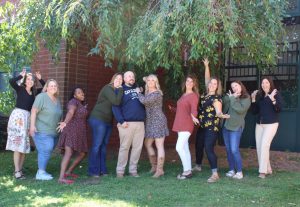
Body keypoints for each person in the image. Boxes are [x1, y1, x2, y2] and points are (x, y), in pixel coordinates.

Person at [194, 58, 229, 183]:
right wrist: (207, 66)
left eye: (215, 84)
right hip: (202, 126)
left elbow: (218, 109)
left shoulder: (216, 98)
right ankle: (198, 166)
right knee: (198, 146)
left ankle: (215, 173)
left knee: (208, 148)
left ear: (217, 86)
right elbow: (207, 79)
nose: (212, 85)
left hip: (211, 128)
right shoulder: (205, 95)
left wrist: (220, 114)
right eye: (211, 83)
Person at [6, 69, 45, 179]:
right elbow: (11, 81)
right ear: (25, 81)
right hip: (18, 118)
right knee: (18, 145)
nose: (30, 81)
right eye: (28, 79)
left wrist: (40, 78)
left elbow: (46, 88)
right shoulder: (20, 89)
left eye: (32, 80)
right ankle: (17, 171)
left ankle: (20, 170)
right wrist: (20, 76)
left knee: (23, 145)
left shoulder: (34, 93)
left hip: (27, 118)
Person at [88, 73, 123, 177]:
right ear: (113, 79)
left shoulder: (117, 91)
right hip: (98, 119)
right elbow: (116, 102)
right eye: (117, 78)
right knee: (97, 145)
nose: (119, 80)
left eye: (121, 79)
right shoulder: (108, 88)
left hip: (107, 121)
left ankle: (102, 170)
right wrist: (120, 89)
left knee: (103, 146)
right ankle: (93, 170)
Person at [112, 71, 146, 178]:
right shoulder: (120, 90)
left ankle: (133, 170)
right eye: (129, 76)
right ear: (124, 79)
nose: (132, 78)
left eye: (133, 76)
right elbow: (115, 106)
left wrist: (140, 89)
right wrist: (121, 121)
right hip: (126, 123)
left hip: (140, 123)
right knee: (124, 148)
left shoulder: (138, 89)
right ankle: (120, 171)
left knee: (137, 148)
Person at [29, 79, 62, 180]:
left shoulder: (57, 100)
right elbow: (34, 111)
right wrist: (32, 126)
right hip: (42, 129)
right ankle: (41, 173)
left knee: (46, 150)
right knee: (46, 149)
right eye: (51, 86)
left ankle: (42, 170)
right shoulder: (42, 97)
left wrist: (62, 122)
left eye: (55, 86)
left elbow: (59, 114)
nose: (53, 87)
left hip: (54, 132)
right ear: (46, 87)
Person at [137, 74, 169, 178]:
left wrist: (138, 93)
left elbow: (144, 101)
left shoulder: (157, 93)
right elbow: (144, 79)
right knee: (147, 143)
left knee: (159, 145)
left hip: (158, 121)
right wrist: (145, 80)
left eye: (153, 80)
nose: (150, 82)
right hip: (150, 121)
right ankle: (154, 166)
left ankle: (160, 170)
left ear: (156, 82)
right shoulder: (147, 91)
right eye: (149, 80)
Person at [251, 77, 282, 179]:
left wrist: (272, 99)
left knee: (264, 145)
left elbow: (279, 109)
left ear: (270, 83)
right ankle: (268, 169)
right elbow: (254, 111)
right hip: (259, 124)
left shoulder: (275, 93)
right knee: (260, 147)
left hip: (271, 124)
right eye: (263, 83)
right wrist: (253, 99)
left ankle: (262, 171)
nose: (264, 84)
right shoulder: (260, 95)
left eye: (266, 82)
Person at [56, 87, 88, 184]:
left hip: (79, 132)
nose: (82, 93)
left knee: (83, 153)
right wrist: (65, 122)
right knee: (68, 153)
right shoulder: (73, 102)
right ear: (74, 95)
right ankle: (61, 178)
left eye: (82, 92)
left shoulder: (81, 104)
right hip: (71, 130)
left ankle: (68, 171)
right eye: (79, 92)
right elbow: (70, 112)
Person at [171, 73, 199, 180]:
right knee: (185, 148)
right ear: (185, 83)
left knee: (179, 147)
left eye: (191, 82)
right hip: (180, 123)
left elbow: (193, 110)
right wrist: (173, 109)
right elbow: (182, 109)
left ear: (194, 84)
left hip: (187, 124)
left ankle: (186, 171)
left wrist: (194, 117)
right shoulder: (183, 95)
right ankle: (189, 170)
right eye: (188, 81)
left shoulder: (193, 96)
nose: (189, 83)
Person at [222, 81, 251, 179]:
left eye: (236, 86)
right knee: (229, 149)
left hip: (236, 127)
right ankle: (231, 170)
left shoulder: (246, 98)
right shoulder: (231, 96)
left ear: (241, 86)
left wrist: (233, 98)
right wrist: (231, 97)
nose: (234, 88)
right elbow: (224, 101)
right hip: (226, 126)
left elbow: (240, 110)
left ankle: (239, 172)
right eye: (232, 87)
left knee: (234, 149)